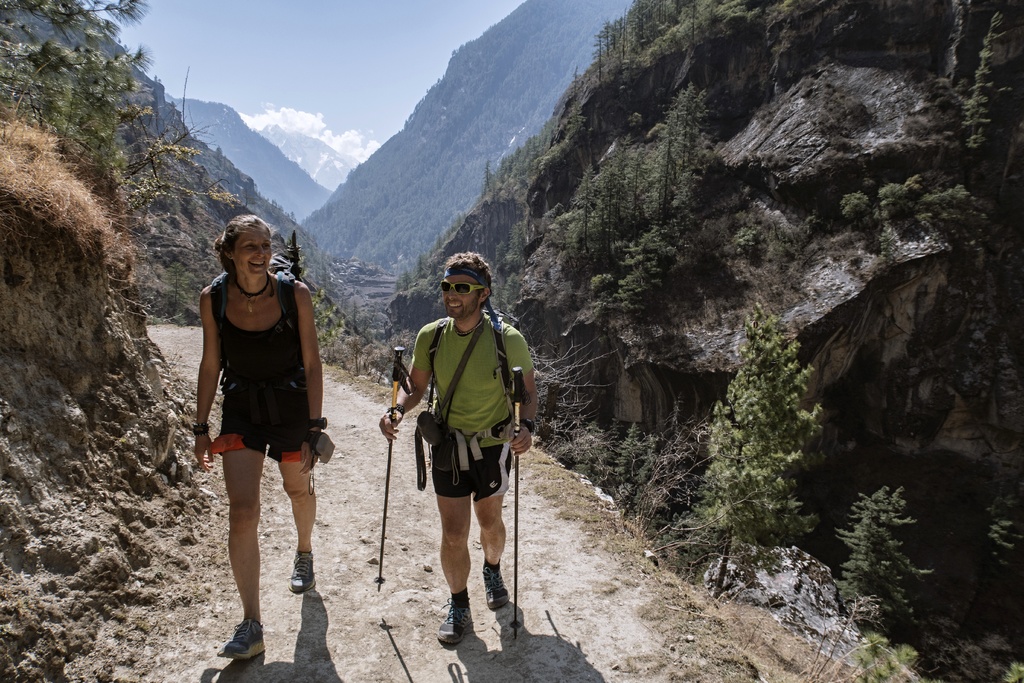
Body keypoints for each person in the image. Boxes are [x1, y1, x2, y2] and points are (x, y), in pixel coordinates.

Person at [379, 252, 537, 645]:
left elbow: (529, 393)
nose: (451, 295)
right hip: (447, 445)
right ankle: (459, 603)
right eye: (447, 287)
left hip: (492, 446)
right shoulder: (431, 336)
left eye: (461, 288)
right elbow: (415, 388)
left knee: (488, 524)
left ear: (482, 295)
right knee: (453, 532)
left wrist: (528, 427)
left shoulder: (507, 340)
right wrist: (396, 410)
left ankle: (492, 567)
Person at [193, 214, 325, 660]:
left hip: (290, 404)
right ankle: (252, 623)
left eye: (266, 246)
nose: (261, 254)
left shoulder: (295, 294)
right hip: (241, 408)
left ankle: (304, 551)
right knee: (243, 510)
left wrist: (314, 426)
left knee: (296, 488)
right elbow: (211, 364)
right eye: (251, 246)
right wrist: (199, 426)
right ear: (229, 252)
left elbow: (313, 363)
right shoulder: (213, 299)